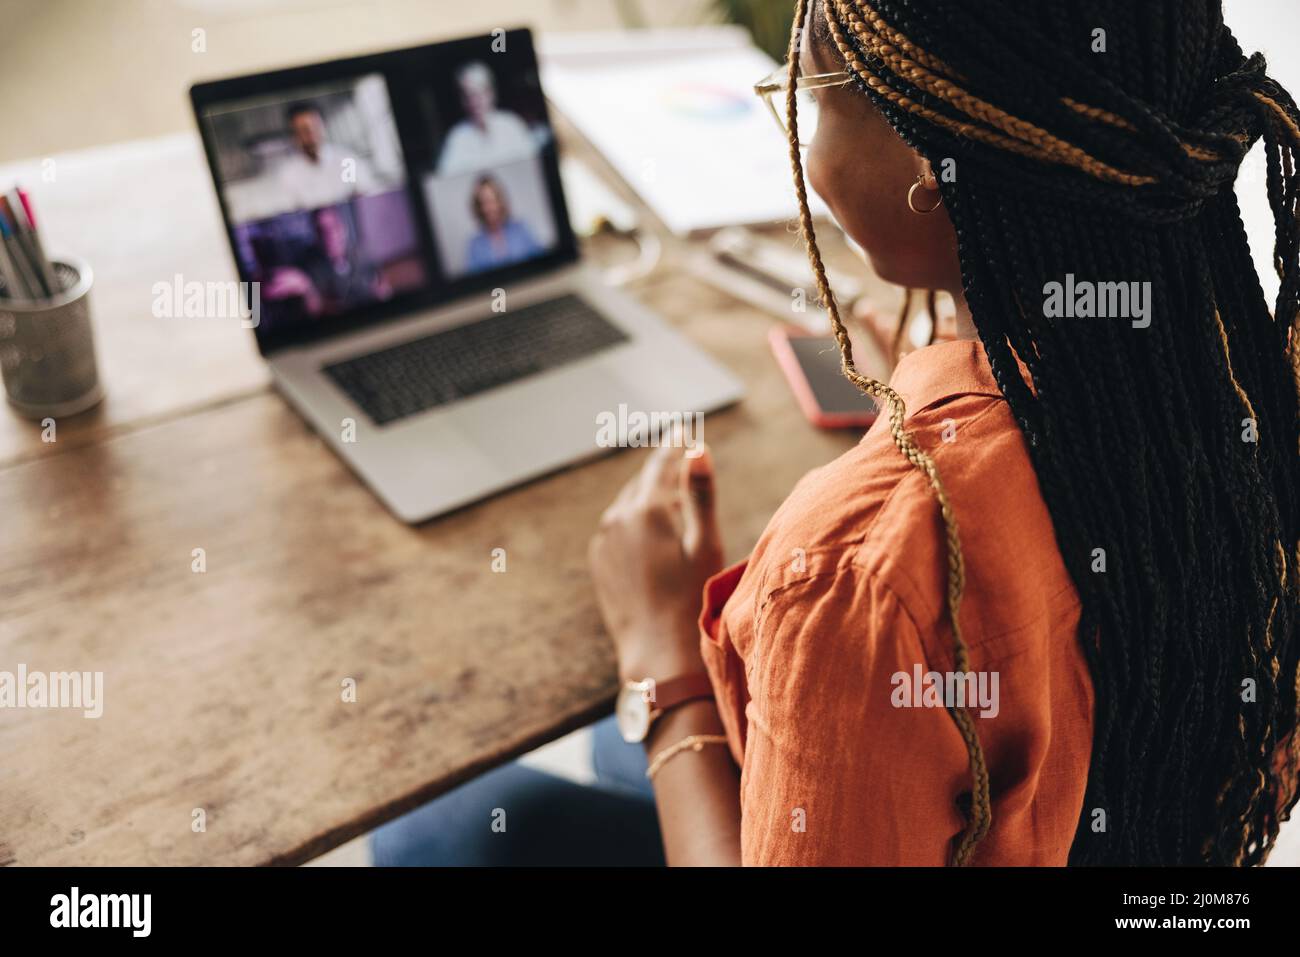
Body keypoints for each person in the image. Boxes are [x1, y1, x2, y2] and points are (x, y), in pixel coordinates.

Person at [374, 0, 1300, 866]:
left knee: (441, 830)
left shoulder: (861, 571)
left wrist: (662, 667)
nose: (804, 145)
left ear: (930, 168)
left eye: (815, 99)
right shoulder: (1237, 371)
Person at [436, 62, 538, 175]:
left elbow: (533, 166)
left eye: (478, 94)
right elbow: (445, 178)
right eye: (467, 96)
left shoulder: (511, 124)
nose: (473, 102)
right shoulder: (457, 137)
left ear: (490, 93)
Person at [277, 102, 376, 211]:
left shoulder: (347, 161)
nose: (311, 134)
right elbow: (291, 212)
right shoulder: (289, 175)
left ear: (323, 125)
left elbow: (366, 196)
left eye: (315, 126)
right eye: (304, 130)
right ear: (295, 135)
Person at [463, 175, 543, 274]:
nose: (489, 208)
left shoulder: (521, 229)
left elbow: (542, 265)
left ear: (500, 201)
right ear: (478, 207)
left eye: (492, 201)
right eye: (483, 203)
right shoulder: (474, 245)